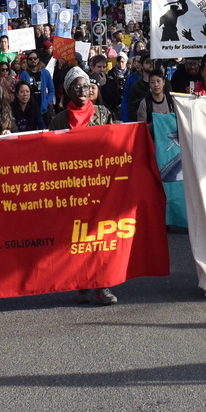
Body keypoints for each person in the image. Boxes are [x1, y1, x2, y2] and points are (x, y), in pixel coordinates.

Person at [51, 72, 116, 306]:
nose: (82, 91)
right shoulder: (59, 120)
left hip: (99, 187)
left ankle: (102, 284)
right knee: (76, 237)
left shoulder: (104, 114)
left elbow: (114, 146)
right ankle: (80, 282)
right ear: (68, 91)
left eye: (86, 87)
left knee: (99, 237)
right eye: (77, 87)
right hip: (72, 188)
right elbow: (49, 153)